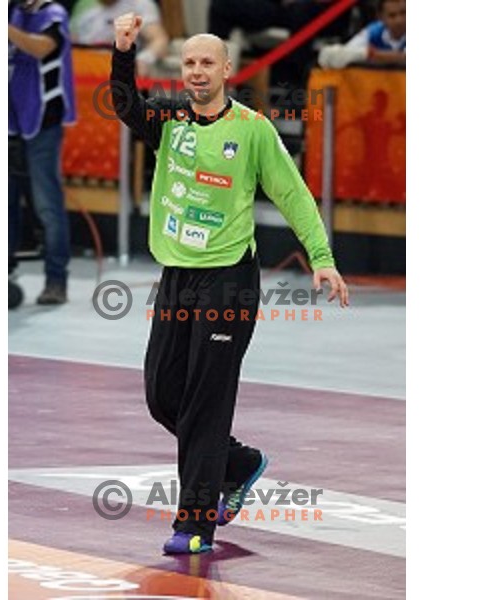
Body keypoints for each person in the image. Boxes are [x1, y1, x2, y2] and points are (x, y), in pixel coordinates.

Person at [110, 12, 349, 555]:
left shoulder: (253, 129)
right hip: (178, 276)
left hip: (229, 281)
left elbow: (292, 194)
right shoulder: (171, 124)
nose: (197, 71)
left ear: (227, 68)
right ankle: (239, 464)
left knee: (206, 401)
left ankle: (194, 524)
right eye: (189, 62)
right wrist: (123, 51)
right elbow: (125, 104)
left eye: (206, 62)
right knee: (163, 395)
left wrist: (321, 256)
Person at [8, 0, 76, 305]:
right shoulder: (13, 12)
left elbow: (42, 48)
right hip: (9, 120)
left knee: (47, 204)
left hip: (43, 121)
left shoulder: (53, 14)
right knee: (4, 204)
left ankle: (56, 279)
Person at [71, 0, 168, 75]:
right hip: (87, 77)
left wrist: (143, 60)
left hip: (123, 77)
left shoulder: (140, 6)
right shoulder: (86, 15)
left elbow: (159, 40)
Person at [318, 0, 406, 69]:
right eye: (392, 15)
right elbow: (347, 52)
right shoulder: (372, 32)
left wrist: (371, 55)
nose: (399, 20)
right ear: (381, 17)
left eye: (403, 13)